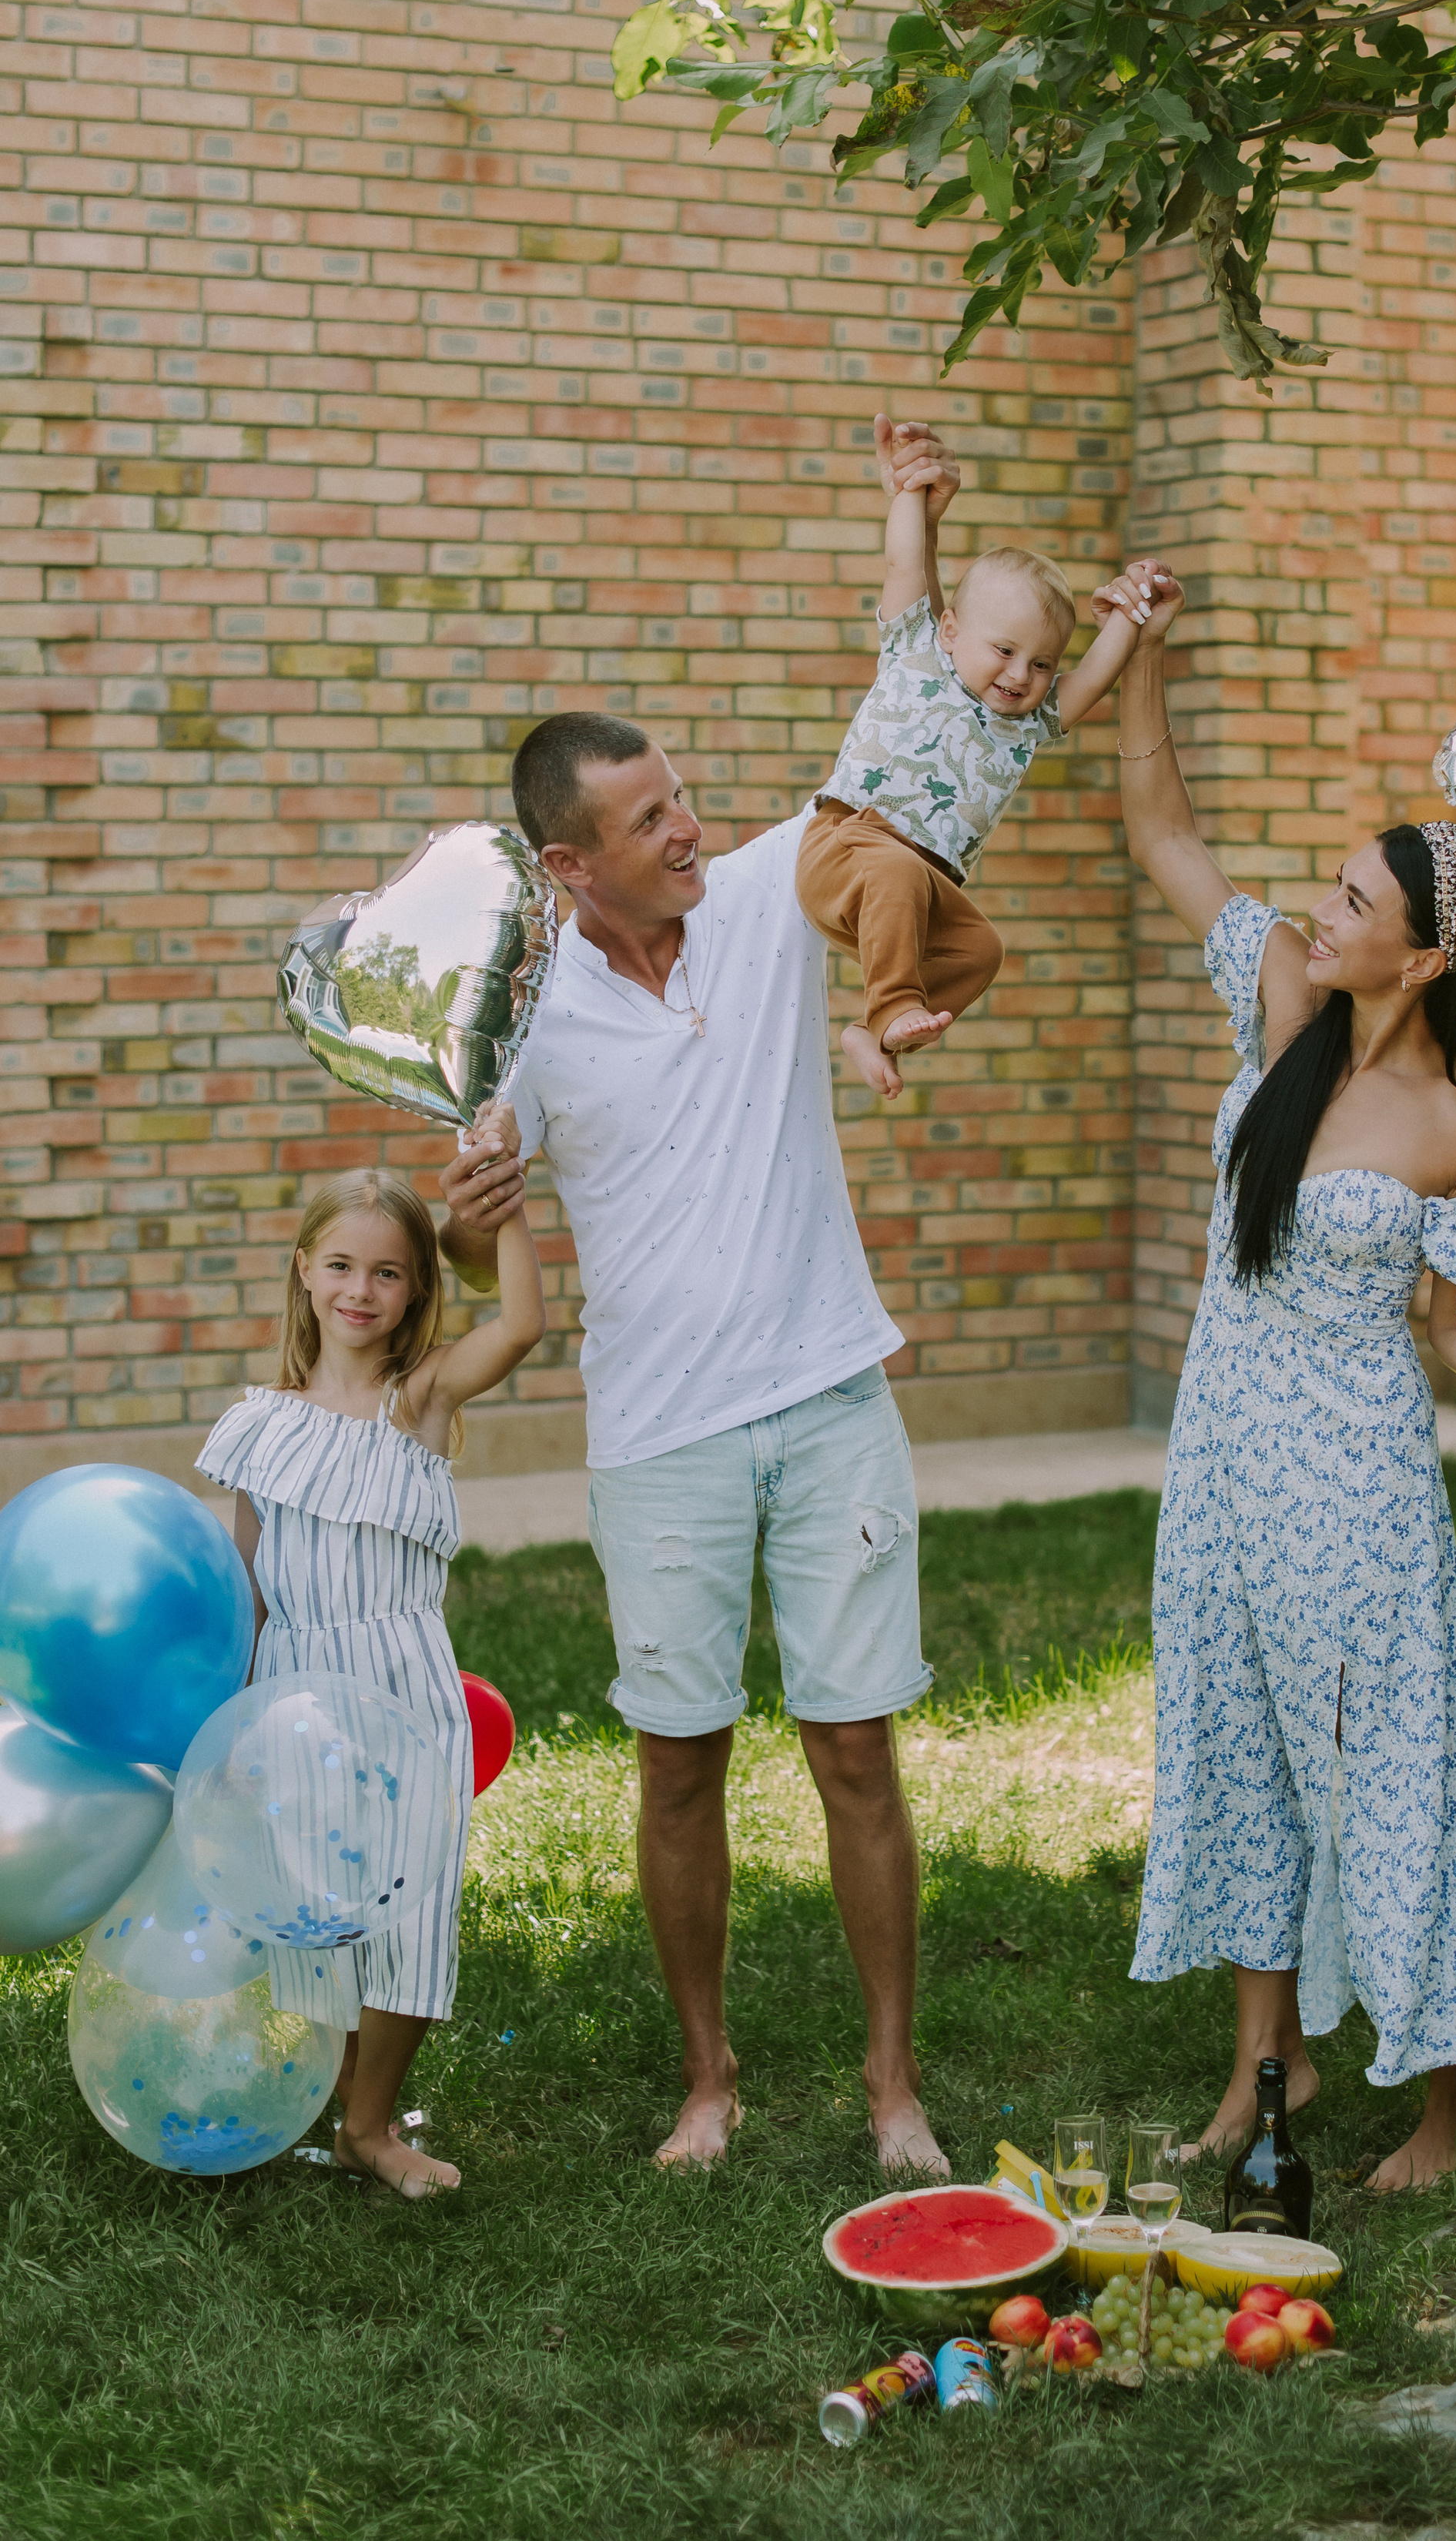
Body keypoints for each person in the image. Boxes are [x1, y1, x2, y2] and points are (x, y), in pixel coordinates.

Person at [1105, 557, 1456, 2192]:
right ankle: (1268, 2068)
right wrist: (1137, 660)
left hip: (1354, 1482)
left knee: (1387, 1767)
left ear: (1419, 963)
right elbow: (1160, 833)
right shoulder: (1281, 1004)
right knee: (1239, 1747)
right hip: (1223, 1453)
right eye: (1328, 890)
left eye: (1350, 907)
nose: (1315, 913)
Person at [437, 564, 959, 2172]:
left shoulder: (761, 895)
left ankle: (891, 2090)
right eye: (648, 817)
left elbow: (909, 731)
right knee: (679, 1761)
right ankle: (708, 2078)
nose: (686, 827)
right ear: (566, 862)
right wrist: (466, 1225)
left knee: (856, 1746)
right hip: (657, 1432)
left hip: (827, 1398)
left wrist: (912, 537)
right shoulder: (512, 1024)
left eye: (679, 798)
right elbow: (483, 1253)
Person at [196, 1151, 544, 2196]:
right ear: (305, 1270)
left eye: (388, 1273)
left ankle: (372, 2120)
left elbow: (522, 1324)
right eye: (341, 1265)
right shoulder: (260, 1424)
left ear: (415, 1293)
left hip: (401, 1688)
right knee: (318, 1903)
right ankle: (333, 2089)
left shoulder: (420, 1399)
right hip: (298, 1690)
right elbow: (255, 1586)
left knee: (407, 1905)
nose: (360, 1290)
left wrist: (509, 1213)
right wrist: (238, 1722)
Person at [795, 410, 1151, 1098]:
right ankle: (894, 1004)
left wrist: (1130, 618)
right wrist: (908, 493)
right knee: (895, 872)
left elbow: (1093, 680)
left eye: (1042, 664)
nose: (1021, 676)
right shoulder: (918, 654)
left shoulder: (1026, 723)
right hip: (847, 845)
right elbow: (905, 561)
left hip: (924, 888)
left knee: (981, 949)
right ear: (953, 629)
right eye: (1006, 651)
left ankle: (874, 1037)